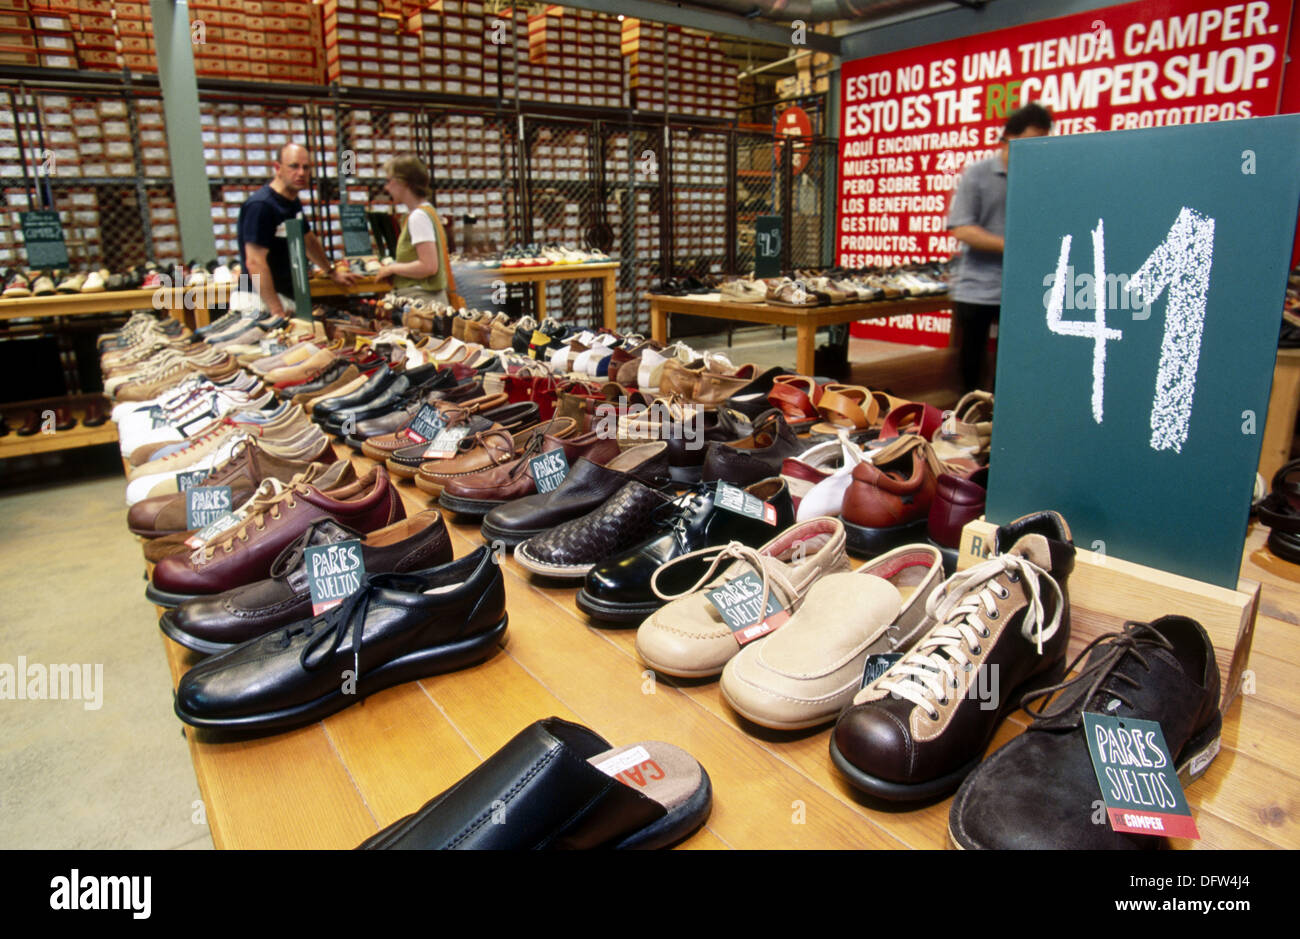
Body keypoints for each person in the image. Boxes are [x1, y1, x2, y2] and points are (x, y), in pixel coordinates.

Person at [946, 102, 1053, 392]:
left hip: (1022, 289)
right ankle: (966, 422)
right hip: (977, 288)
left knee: (1014, 365)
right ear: (1007, 138)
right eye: (1028, 144)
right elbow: (962, 227)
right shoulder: (978, 175)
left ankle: (1002, 423)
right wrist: (1014, 246)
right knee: (971, 366)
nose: (1034, 151)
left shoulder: (1040, 179)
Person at [236, 143, 358, 317]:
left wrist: (331, 272)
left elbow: (307, 240)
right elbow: (255, 262)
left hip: (285, 298)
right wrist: (276, 310)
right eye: (294, 166)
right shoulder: (261, 206)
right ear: (278, 168)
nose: (301, 173)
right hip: (258, 300)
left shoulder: (292, 203)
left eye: (306, 167)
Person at [373, 155, 451, 306]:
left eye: (389, 181)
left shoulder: (418, 217)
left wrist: (391, 269)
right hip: (428, 300)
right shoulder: (426, 212)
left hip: (423, 301)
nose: (386, 187)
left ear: (402, 182)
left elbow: (428, 266)